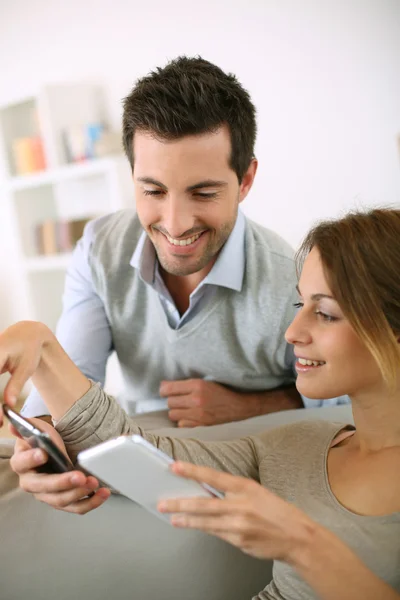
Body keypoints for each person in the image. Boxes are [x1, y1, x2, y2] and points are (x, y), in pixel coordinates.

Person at [2, 207, 399, 599]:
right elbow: (137, 454)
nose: (293, 331)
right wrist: (43, 349)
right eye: (300, 306)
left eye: (326, 313)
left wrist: (304, 546)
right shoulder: (293, 449)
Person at [21, 55, 342, 429]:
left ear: (245, 181)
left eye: (203, 193)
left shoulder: (293, 280)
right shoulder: (98, 250)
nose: (174, 225)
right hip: (140, 453)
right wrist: (43, 435)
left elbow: (342, 403)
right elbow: (71, 377)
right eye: (153, 190)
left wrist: (252, 406)